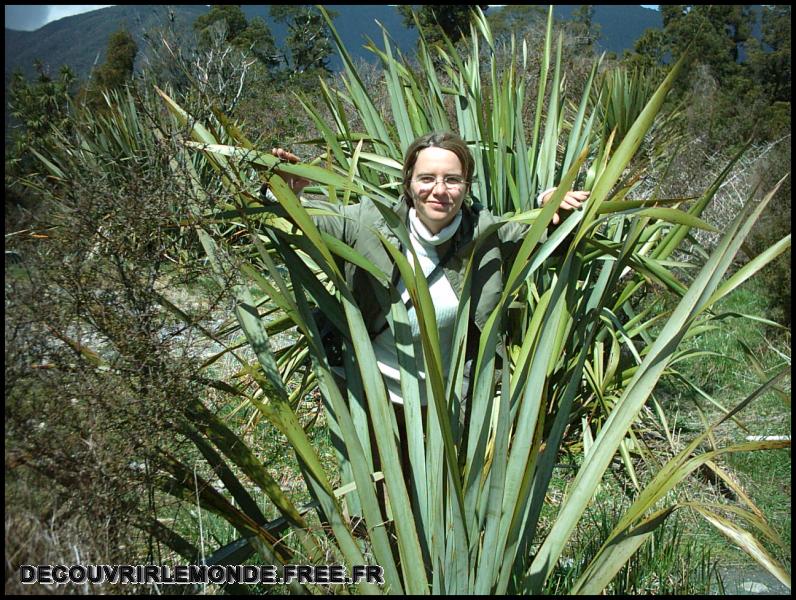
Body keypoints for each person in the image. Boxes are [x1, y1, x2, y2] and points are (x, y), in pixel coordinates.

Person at [264, 131, 588, 477]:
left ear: (466, 186)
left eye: (452, 179)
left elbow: (550, 237)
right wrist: (282, 191)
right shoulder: (367, 221)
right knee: (376, 491)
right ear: (408, 182)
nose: (439, 190)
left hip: (444, 401)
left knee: (438, 492)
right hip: (372, 393)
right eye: (427, 178)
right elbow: (300, 222)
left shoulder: (486, 233)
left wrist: (551, 202)